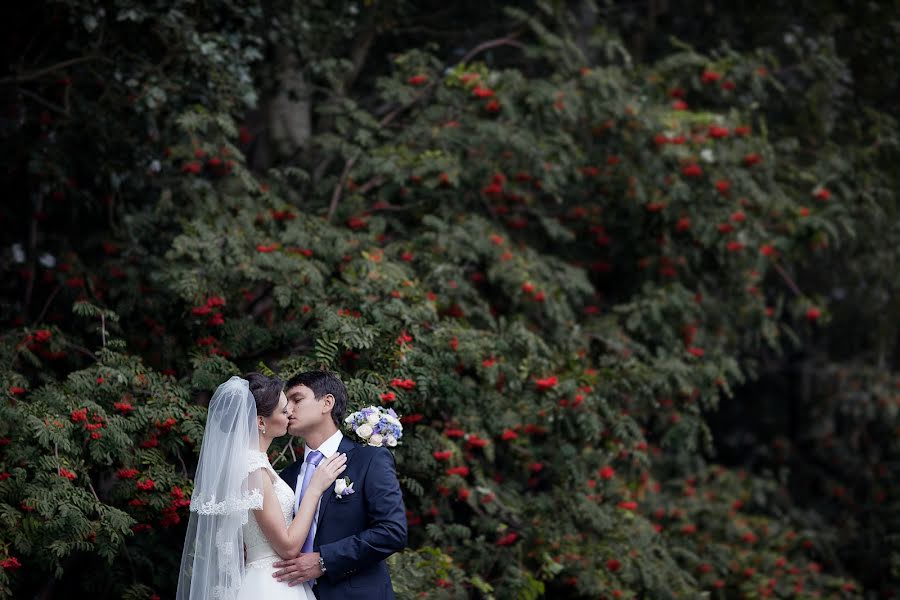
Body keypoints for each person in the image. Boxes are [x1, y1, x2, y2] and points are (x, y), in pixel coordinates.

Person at [176, 374, 347, 600]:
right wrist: (314, 490)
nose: (290, 415)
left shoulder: (257, 464)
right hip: (271, 583)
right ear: (260, 422)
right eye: (283, 411)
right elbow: (287, 547)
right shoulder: (252, 468)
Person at [272, 371, 407, 599]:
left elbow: (393, 531)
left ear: (327, 402)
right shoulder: (287, 477)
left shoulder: (369, 459)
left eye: (297, 399)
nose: (288, 409)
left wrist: (325, 561)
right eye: (286, 403)